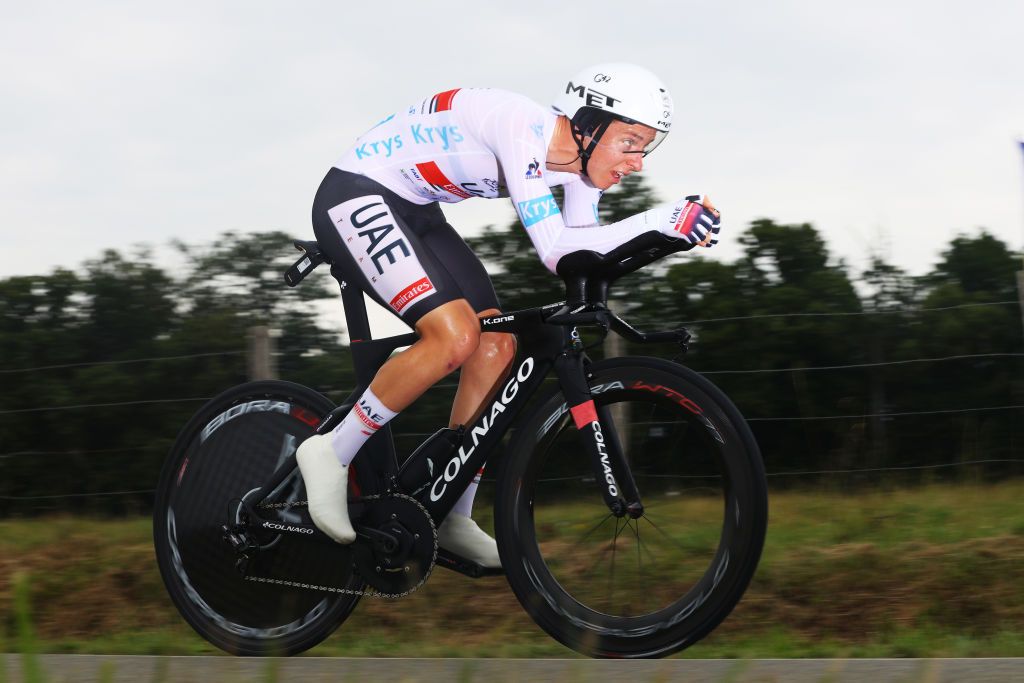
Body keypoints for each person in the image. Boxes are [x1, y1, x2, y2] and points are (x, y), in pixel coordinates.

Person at [297, 63, 721, 569]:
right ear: (588, 124)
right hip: (358, 193)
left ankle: (452, 512)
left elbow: (584, 255)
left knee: (497, 348)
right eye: (631, 141)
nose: (639, 162)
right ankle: (331, 450)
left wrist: (665, 240)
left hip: (419, 210)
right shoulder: (520, 125)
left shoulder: (581, 171)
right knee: (454, 337)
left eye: (646, 146)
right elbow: (555, 249)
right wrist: (661, 220)